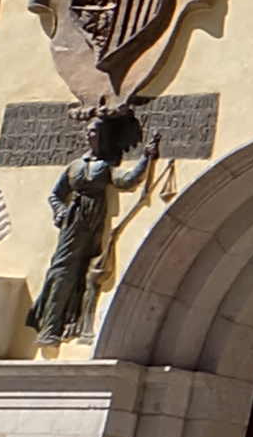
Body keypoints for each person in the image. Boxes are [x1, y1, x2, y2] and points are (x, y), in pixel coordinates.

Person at [31, 114, 159, 344]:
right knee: (61, 270)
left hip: (93, 221)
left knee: (85, 268)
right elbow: (56, 194)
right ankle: (49, 326)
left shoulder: (106, 167)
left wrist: (145, 159)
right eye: (90, 131)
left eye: (97, 132)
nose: (92, 135)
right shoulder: (75, 166)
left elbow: (126, 181)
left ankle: (72, 322)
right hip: (74, 219)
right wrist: (60, 210)